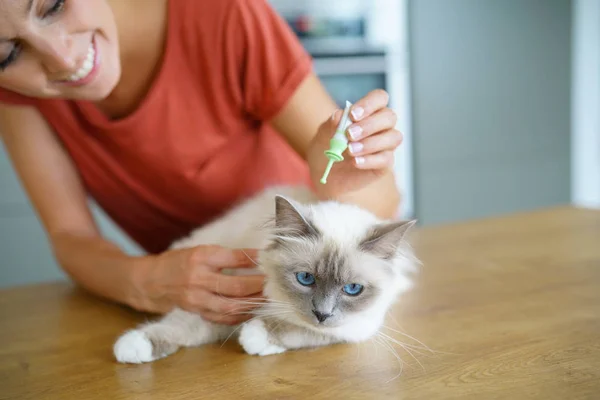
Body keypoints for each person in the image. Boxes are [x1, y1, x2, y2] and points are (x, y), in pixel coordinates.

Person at [0, 0, 404, 325]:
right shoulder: (20, 99)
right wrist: (143, 282)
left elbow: (383, 204)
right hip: (199, 312)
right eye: (8, 53)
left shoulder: (224, 15)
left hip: (303, 300)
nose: (62, 58)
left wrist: (344, 180)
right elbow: (70, 237)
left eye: (53, 6)